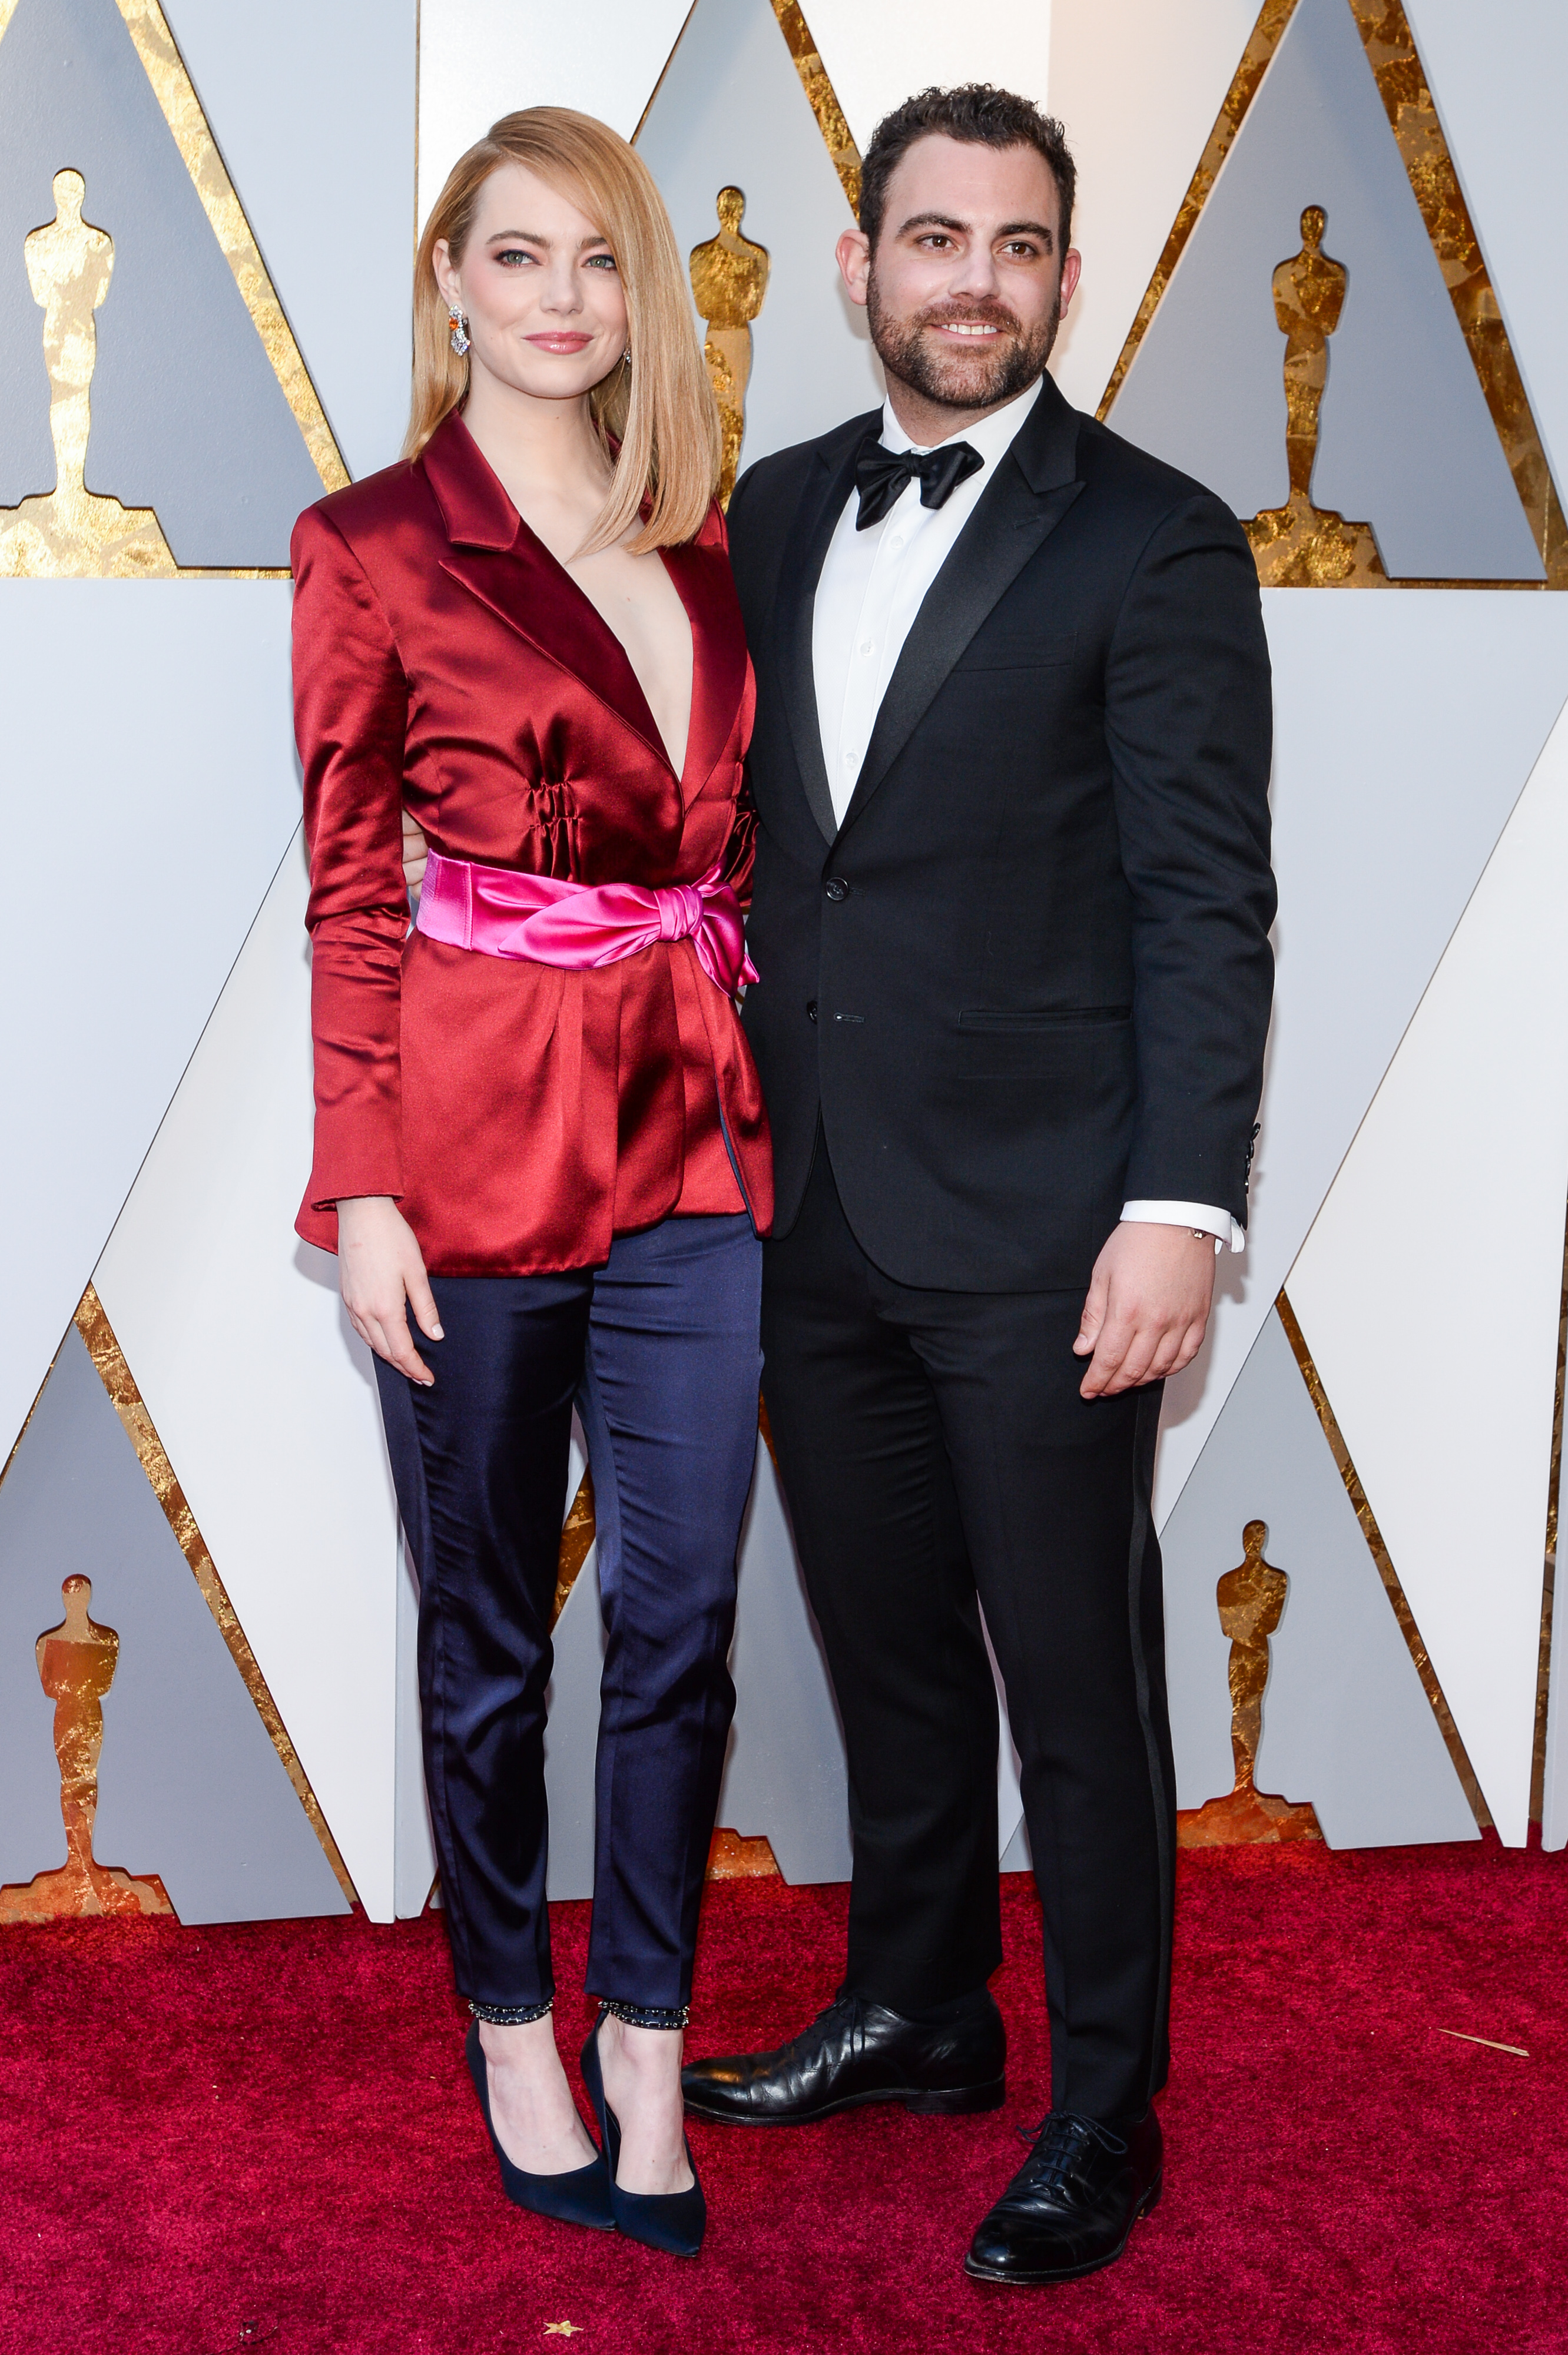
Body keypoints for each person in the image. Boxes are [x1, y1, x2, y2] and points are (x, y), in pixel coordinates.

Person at [679, 86, 1275, 2287]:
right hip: (811, 1204)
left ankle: (1106, 2106)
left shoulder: (1159, 540)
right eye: (936, 239)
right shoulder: (768, 510)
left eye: (1018, 247)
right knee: (890, 1649)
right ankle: (925, 2009)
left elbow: (1207, 903)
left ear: (1066, 280)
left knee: (1079, 1688)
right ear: (861, 265)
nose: (975, 283)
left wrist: (1178, 1210)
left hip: (1050, 1229)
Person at [291, 105, 771, 2259]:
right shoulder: (372, 544)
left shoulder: (707, 538)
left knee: (681, 1622)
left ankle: (646, 2034)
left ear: (639, 292)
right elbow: (349, 892)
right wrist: (364, 1186)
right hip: (470, 1153)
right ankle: (510, 2021)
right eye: (517, 256)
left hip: (698, 1134)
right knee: (490, 1629)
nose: (561, 299)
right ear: (451, 285)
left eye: (596, 260)